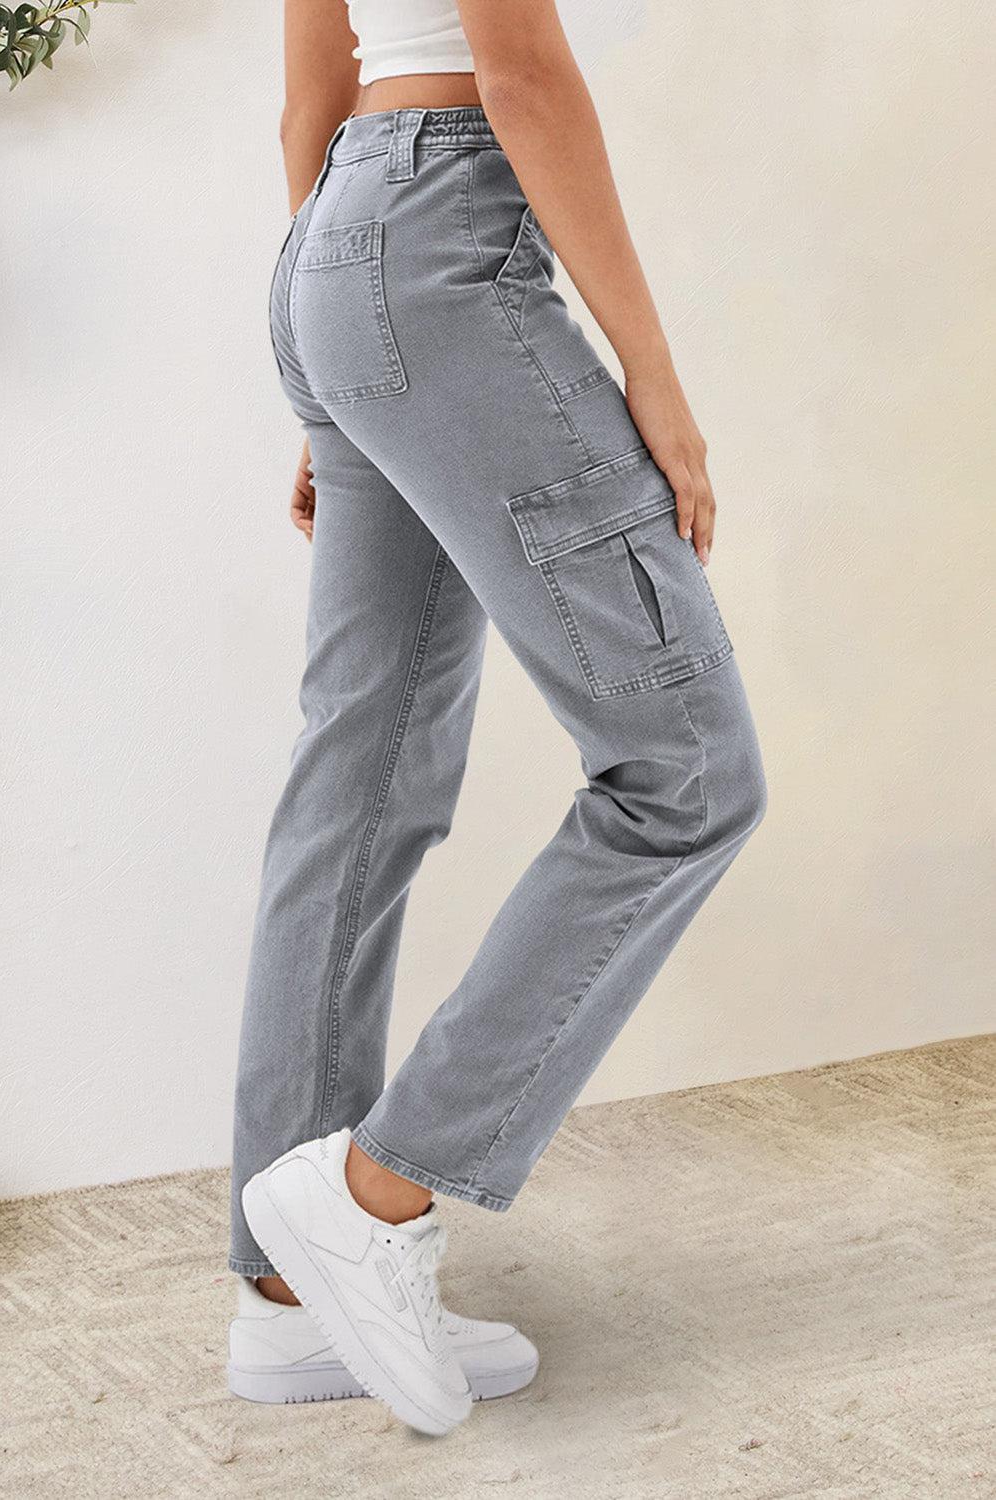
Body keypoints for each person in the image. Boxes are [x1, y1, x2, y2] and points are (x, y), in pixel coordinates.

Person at [227, 0, 767, 1436]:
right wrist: (651, 376)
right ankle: (368, 1197)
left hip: (339, 246)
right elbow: (517, 72)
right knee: (685, 775)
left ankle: (287, 1303)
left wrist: (327, 370)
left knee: (357, 775)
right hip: (445, 237)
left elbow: (311, 90)